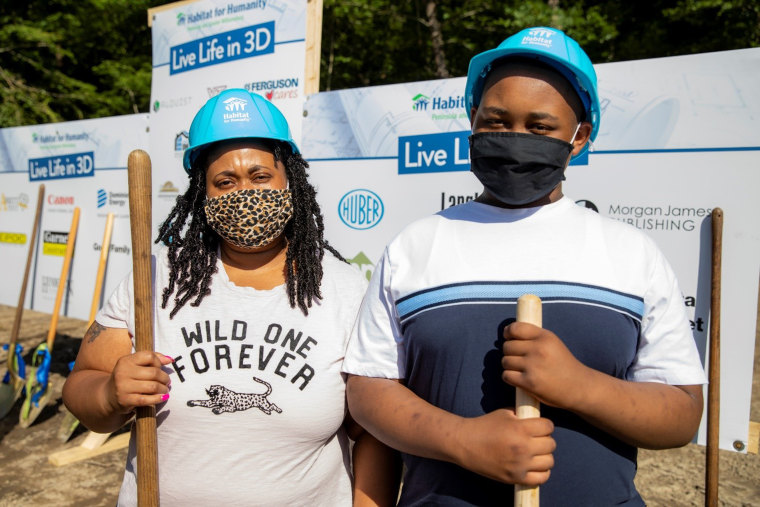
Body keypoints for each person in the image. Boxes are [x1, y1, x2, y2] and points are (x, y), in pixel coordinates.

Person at [342, 27, 706, 506]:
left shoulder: (630, 254)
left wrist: (578, 386)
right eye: (496, 122)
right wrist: (463, 441)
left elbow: (681, 414)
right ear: (472, 122)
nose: (515, 139)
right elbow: (369, 391)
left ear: (579, 138)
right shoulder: (417, 245)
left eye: (540, 128)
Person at [63, 89, 399, 506]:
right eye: (225, 181)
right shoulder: (156, 279)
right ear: (202, 194)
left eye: (260, 176)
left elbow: (373, 432)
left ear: (289, 179)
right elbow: (81, 387)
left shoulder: (346, 291)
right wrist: (108, 394)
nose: (245, 192)